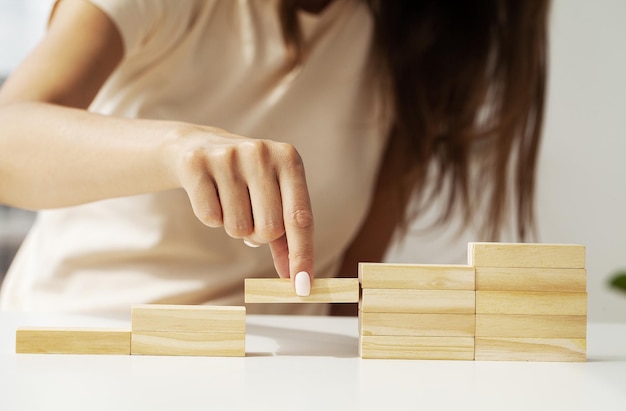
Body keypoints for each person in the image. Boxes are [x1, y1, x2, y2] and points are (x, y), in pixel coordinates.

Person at [0, 0, 549, 315]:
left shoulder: (423, 43)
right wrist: (179, 150)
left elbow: (350, 288)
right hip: (72, 348)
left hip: (276, 378)